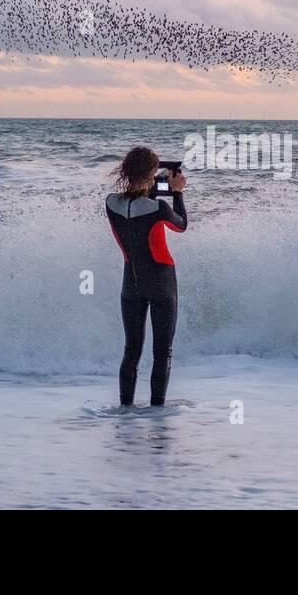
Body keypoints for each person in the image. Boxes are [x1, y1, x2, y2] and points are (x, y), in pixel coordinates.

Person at [106, 147, 187, 406]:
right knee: (162, 352)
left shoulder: (111, 203)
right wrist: (177, 192)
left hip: (131, 283)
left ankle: (125, 410)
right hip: (162, 282)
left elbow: (136, 203)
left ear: (125, 171)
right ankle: (157, 412)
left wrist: (150, 181)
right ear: (152, 173)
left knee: (132, 350)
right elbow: (181, 224)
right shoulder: (158, 208)